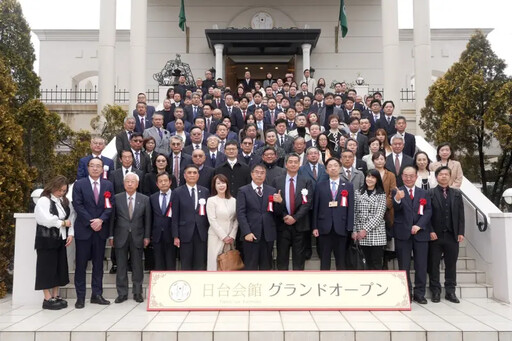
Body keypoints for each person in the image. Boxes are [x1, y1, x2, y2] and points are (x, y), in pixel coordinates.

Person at [72, 157, 114, 309]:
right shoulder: (79, 184)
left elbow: (110, 206)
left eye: (98, 166)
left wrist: (101, 220)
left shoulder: (108, 184)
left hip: (100, 231)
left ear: (103, 169)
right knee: (81, 265)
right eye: (92, 166)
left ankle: (97, 294)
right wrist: (91, 221)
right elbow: (77, 204)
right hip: (84, 230)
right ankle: (80, 297)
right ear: (88, 167)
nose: (95, 169)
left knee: (98, 265)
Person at [109, 172, 151, 304]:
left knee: (137, 265)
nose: (130, 184)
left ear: (137, 184)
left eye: (133, 181)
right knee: (121, 265)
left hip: (138, 236)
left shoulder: (145, 199)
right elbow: (112, 219)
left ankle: (137, 292)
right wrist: (111, 235)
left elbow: (147, 220)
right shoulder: (116, 198)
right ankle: (122, 293)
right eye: (127, 181)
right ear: (123, 183)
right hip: (120, 236)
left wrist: (147, 236)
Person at [393, 166, 432, 304]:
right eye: (405, 176)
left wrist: (419, 225)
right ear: (402, 177)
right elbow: (395, 208)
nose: (408, 178)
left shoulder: (424, 193)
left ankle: (420, 293)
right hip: (402, 234)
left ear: (416, 177)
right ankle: (406, 293)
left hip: (421, 234)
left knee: (421, 265)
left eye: (411, 176)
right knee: (404, 265)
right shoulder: (397, 191)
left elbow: (428, 212)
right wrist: (397, 199)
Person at [34, 175, 75, 310]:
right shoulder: (44, 200)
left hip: (60, 239)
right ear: (53, 187)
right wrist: (62, 223)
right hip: (46, 240)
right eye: (59, 190)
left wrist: (70, 233)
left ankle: (56, 295)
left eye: (64, 190)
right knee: (46, 268)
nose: (61, 193)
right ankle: (47, 297)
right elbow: (44, 219)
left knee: (58, 267)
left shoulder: (63, 201)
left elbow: (71, 218)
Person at [428, 166, 465, 304]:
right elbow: (427, 215)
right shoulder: (430, 193)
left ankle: (450, 291)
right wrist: (430, 230)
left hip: (452, 235)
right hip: (435, 236)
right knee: (434, 264)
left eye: (446, 174)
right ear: (436, 177)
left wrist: (461, 232)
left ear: (450, 177)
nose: (444, 176)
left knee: (451, 264)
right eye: (441, 174)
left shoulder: (456, 194)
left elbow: (461, 215)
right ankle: (435, 291)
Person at [272, 154, 313, 270]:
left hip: (300, 225)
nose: (293, 164)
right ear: (286, 164)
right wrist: (285, 216)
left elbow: (307, 203)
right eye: (290, 162)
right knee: (282, 258)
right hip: (282, 224)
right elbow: (275, 202)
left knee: (299, 259)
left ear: (299, 164)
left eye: (296, 162)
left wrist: (295, 217)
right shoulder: (277, 181)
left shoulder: (306, 181)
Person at [312, 157, 355, 270]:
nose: (333, 168)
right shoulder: (320, 186)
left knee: (341, 260)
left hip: (341, 227)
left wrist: (350, 227)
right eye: (330, 166)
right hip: (324, 228)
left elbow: (350, 208)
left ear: (340, 168)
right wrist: (315, 226)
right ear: (326, 170)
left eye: (335, 165)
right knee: (324, 260)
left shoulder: (348, 186)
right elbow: (316, 207)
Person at [236, 164, 280, 270]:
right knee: (251, 265)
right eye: (256, 172)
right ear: (251, 174)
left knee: (266, 266)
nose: (259, 175)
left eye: (262, 173)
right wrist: (246, 232)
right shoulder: (243, 190)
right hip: (251, 234)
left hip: (267, 234)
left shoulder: (272, 190)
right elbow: (240, 213)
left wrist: (279, 203)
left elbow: (277, 213)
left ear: (265, 175)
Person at [171, 164, 210, 270]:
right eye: (189, 173)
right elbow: (174, 215)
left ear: (198, 175)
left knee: (200, 263)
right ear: (184, 175)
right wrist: (175, 236)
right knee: (186, 264)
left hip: (201, 233)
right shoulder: (177, 192)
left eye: (194, 173)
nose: (192, 175)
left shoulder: (205, 191)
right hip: (184, 233)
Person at [353, 169, 387, 270]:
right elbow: (354, 213)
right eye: (368, 176)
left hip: (376, 234)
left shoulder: (381, 195)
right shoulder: (358, 193)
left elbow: (379, 215)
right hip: (360, 235)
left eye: (373, 177)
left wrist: (365, 229)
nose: (370, 179)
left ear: (377, 180)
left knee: (376, 263)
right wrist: (355, 231)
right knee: (363, 264)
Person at [206, 174, 238, 271]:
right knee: (214, 264)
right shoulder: (211, 200)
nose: (221, 185)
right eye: (218, 183)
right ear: (214, 186)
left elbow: (236, 219)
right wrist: (224, 236)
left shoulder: (233, 200)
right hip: (216, 236)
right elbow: (212, 220)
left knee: (228, 264)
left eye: (223, 183)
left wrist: (232, 235)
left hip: (230, 238)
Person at [149, 172, 176, 271]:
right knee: (158, 263)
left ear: (170, 182)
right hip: (157, 235)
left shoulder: (176, 195)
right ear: (157, 184)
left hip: (171, 234)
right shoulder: (153, 198)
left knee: (171, 263)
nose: (163, 183)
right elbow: (150, 217)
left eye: (165, 181)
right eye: (160, 181)